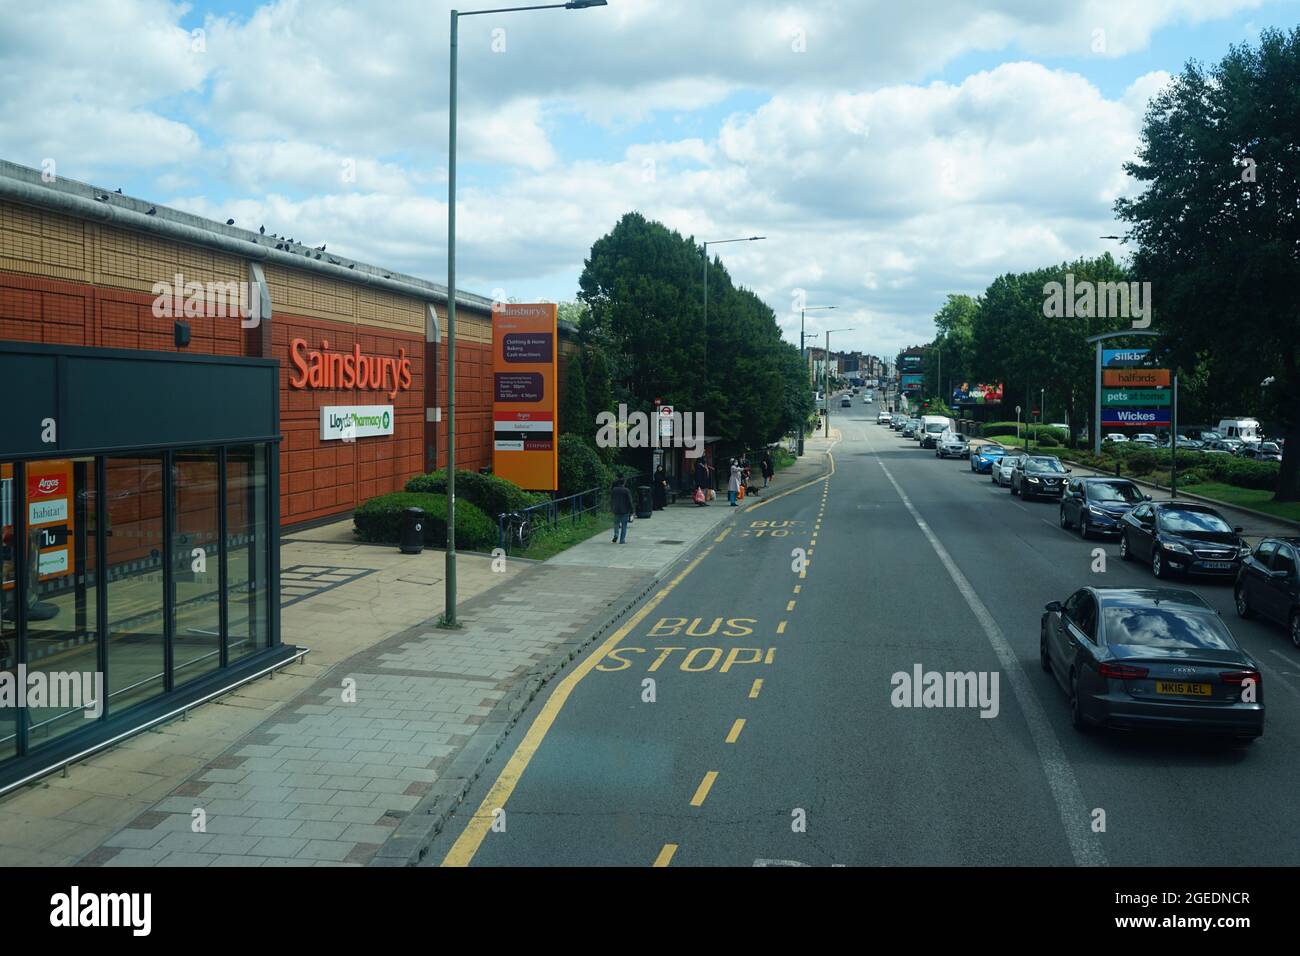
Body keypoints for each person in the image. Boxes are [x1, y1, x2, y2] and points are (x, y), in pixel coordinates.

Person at [610, 477, 634, 543]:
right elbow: (630, 501)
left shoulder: (614, 489)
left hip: (616, 509)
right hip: (625, 510)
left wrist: (612, 507)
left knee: (616, 523)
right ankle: (622, 540)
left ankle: (616, 534)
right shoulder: (626, 490)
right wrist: (632, 510)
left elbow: (612, 499)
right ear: (624, 483)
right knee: (624, 525)